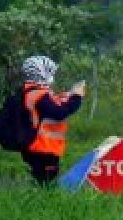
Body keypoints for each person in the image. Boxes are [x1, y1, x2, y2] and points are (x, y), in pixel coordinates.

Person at [19, 55, 85, 186]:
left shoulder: (32, 91)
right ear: (41, 73)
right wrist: (76, 98)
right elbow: (59, 113)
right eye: (49, 71)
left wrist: (64, 97)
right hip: (43, 147)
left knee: (42, 182)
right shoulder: (40, 94)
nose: (51, 76)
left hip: (40, 147)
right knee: (46, 183)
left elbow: (49, 108)